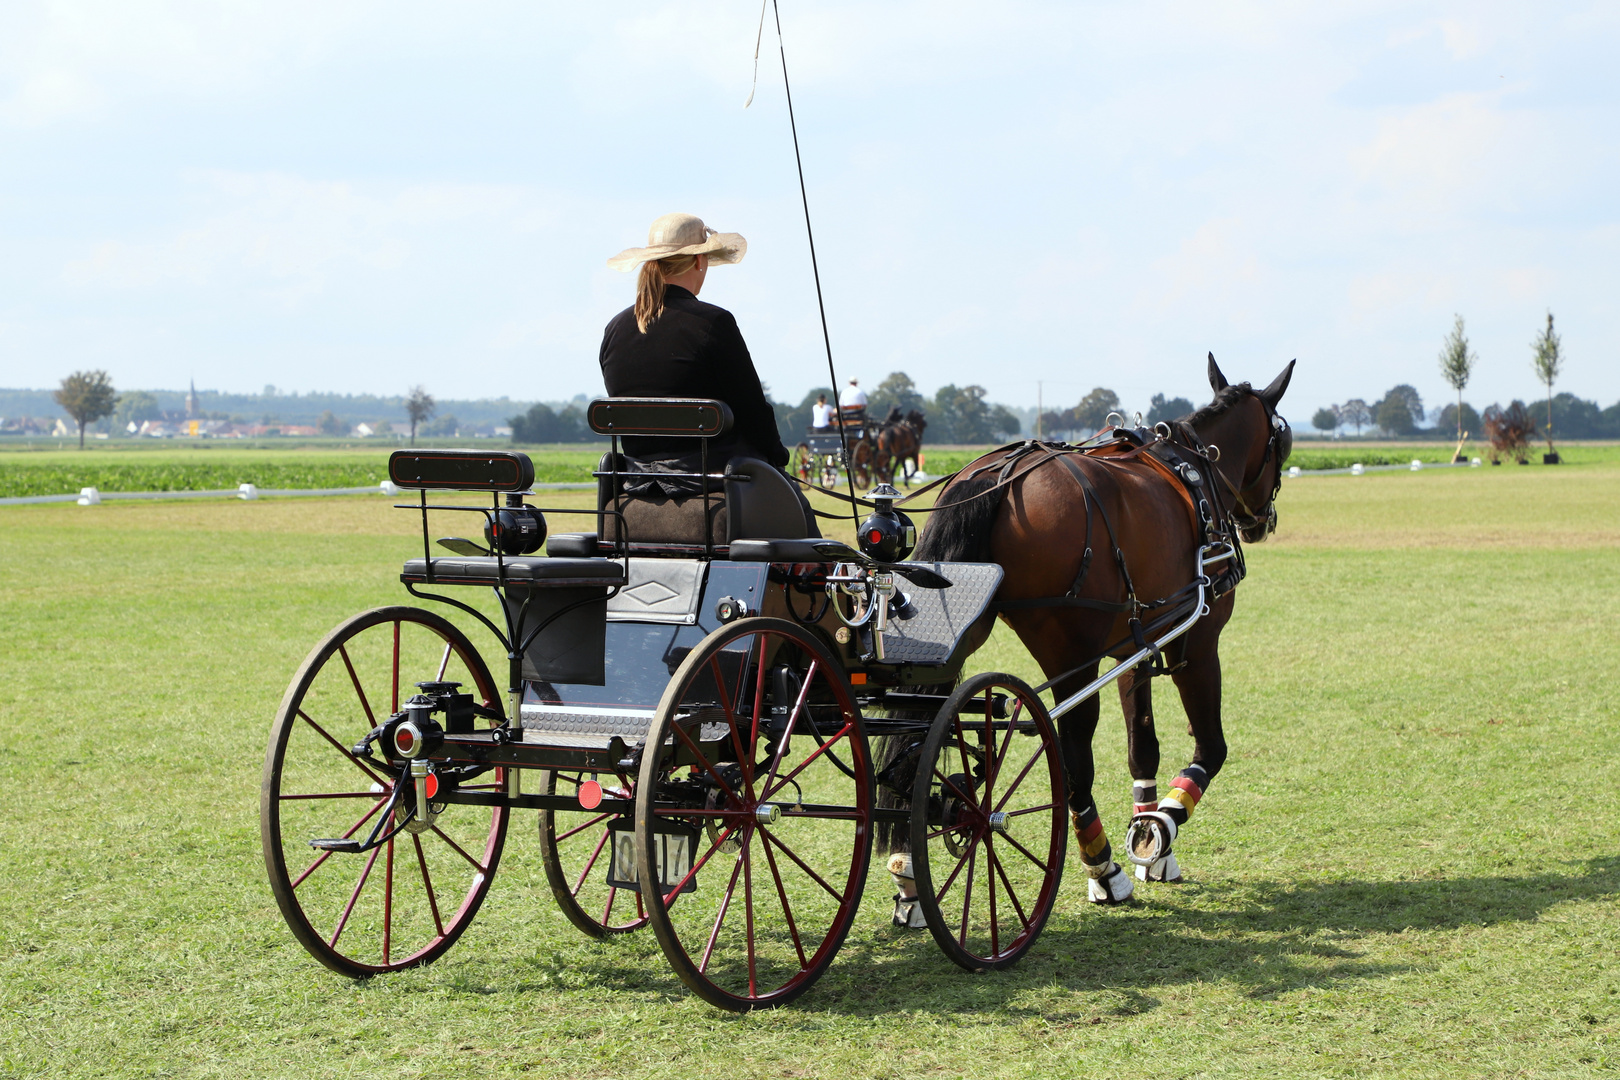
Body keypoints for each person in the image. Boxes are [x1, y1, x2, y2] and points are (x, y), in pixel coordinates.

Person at [599, 212, 815, 535]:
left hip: (636, 481)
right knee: (798, 506)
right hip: (712, 478)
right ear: (699, 261)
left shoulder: (614, 330)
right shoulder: (713, 324)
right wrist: (778, 459)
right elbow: (753, 411)